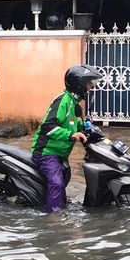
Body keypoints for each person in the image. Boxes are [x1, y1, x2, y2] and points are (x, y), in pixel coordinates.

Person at [31, 64, 103, 213]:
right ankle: (53, 217)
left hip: (59, 154)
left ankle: (58, 204)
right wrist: (71, 135)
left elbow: (76, 123)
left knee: (66, 175)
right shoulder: (62, 101)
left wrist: (86, 128)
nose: (91, 87)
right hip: (46, 153)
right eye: (89, 83)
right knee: (57, 183)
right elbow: (48, 127)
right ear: (79, 84)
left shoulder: (74, 104)